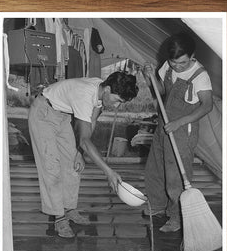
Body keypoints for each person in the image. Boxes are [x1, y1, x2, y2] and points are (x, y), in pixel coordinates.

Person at [28, 71, 139, 238]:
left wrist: (79, 153)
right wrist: (109, 172)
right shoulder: (84, 94)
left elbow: (91, 123)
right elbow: (85, 140)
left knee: (74, 165)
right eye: (118, 101)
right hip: (43, 113)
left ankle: (70, 209)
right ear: (108, 89)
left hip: (63, 116)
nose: (117, 106)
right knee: (51, 167)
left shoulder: (101, 92)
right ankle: (59, 217)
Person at [143, 33, 213, 232]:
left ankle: (176, 218)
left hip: (183, 129)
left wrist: (179, 122)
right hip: (164, 124)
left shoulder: (200, 76)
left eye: (182, 63)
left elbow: (207, 106)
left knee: (176, 177)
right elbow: (161, 90)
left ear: (192, 56)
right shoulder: (168, 65)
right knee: (155, 168)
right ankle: (156, 206)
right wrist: (148, 76)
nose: (177, 67)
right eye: (174, 63)